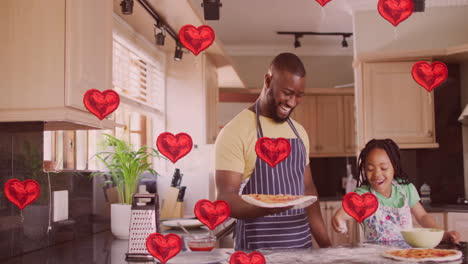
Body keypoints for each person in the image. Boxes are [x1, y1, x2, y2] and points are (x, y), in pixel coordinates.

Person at [215, 53, 331, 250]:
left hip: (300, 249)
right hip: (257, 251)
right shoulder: (235, 131)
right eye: (287, 93)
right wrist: (269, 207)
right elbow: (226, 198)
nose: (292, 102)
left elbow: (308, 190)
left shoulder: (299, 132)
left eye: (299, 95)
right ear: (268, 81)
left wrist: (328, 248)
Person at [332, 139, 460, 244]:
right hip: (375, 258)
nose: (377, 174)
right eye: (370, 169)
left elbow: (422, 216)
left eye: (384, 168)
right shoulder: (364, 194)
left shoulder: (405, 189)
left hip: (406, 256)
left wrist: (442, 234)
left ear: (394, 167)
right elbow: (345, 212)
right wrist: (339, 219)